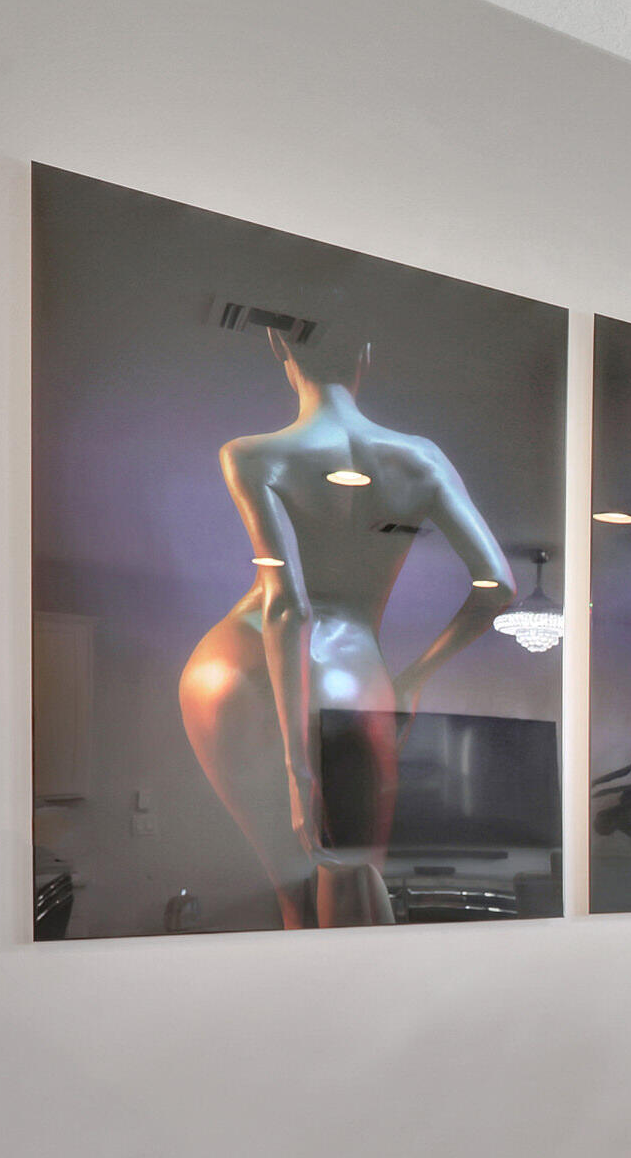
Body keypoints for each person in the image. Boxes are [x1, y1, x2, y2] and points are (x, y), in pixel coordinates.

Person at [180, 330, 516, 928]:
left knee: (295, 892)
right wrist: (412, 679)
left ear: (279, 347)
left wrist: (296, 769)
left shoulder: (252, 453)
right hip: (345, 669)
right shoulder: (420, 458)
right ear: (367, 351)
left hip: (225, 665)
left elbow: (286, 603)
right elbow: (498, 587)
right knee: (352, 879)